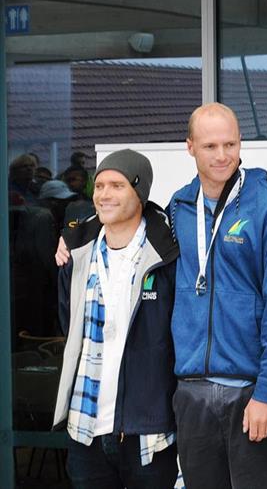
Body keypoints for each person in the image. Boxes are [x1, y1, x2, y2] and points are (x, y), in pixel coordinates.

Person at [168, 102, 267, 489]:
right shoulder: (178, 207)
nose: (222, 155)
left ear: (241, 143)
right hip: (191, 389)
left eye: (230, 144)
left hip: (248, 390)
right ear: (190, 147)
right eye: (210, 146)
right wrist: (73, 238)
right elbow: (125, 230)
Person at [53, 149, 179, 488]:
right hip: (86, 425)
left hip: (147, 430)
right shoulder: (78, 252)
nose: (104, 194)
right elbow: (71, 325)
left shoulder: (167, 254)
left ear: (139, 192)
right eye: (100, 185)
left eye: (117, 185)